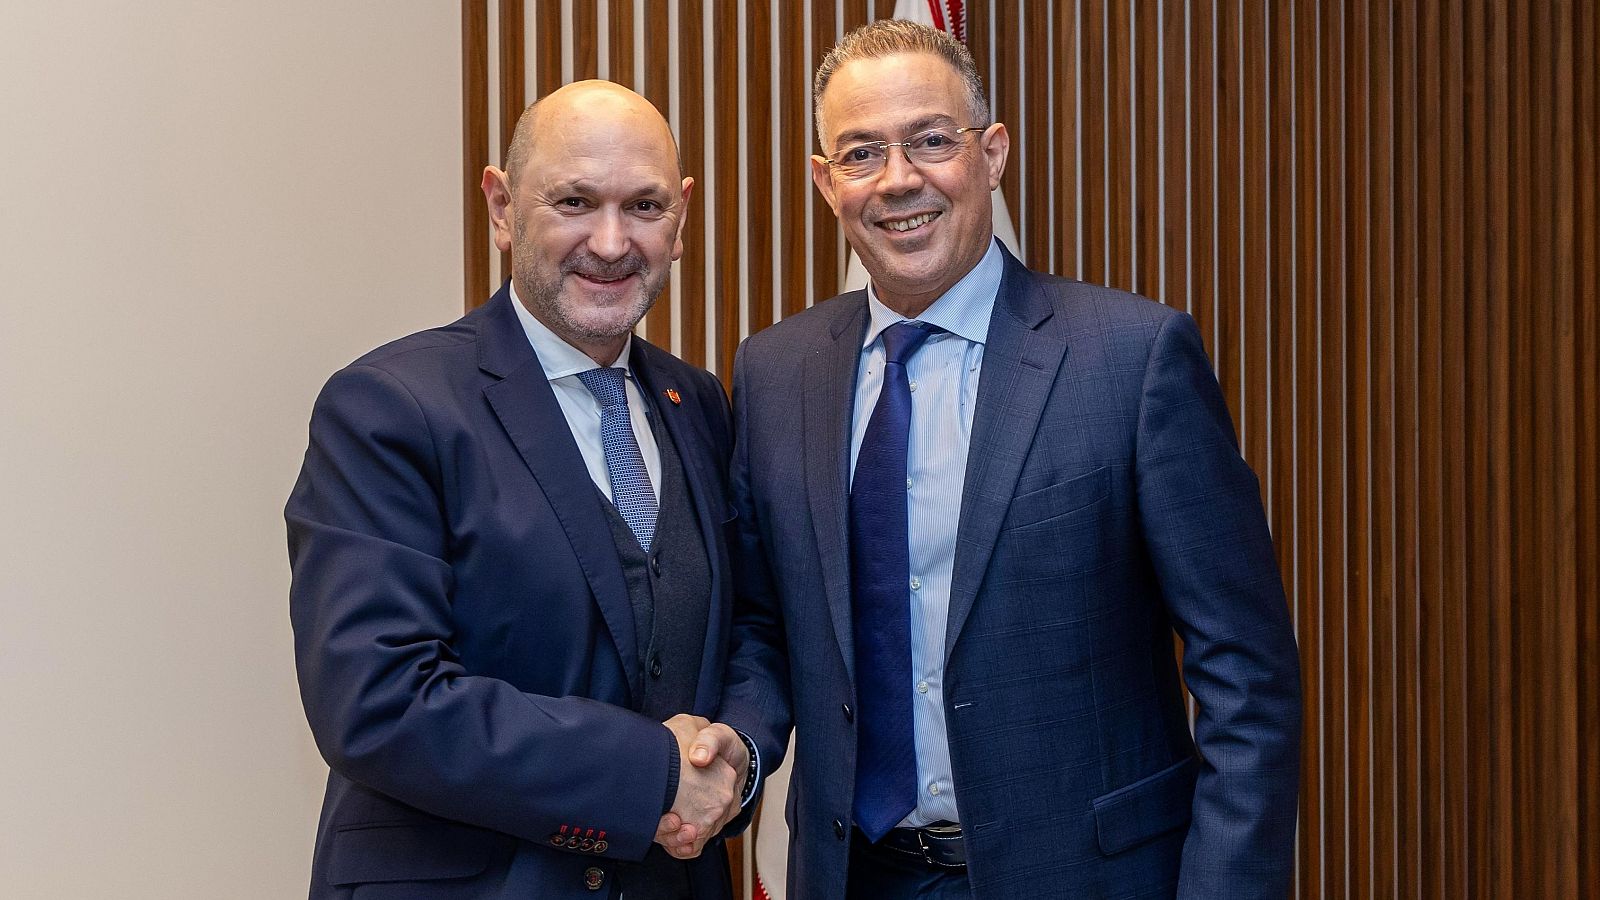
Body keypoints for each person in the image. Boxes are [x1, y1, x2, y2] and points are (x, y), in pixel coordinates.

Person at [708, 20, 1302, 899]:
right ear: (825, 182)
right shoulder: (773, 372)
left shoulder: (1132, 360)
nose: (900, 179)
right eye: (862, 152)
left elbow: (1246, 677)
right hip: (850, 875)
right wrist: (740, 746)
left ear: (992, 154)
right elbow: (766, 623)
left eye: (931, 141)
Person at [286, 81, 750, 900]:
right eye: (574, 201)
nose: (611, 242)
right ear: (501, 208)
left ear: (680, 220)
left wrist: (738, 755)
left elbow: (752, 627)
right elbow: (379, 699)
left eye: (643, 206)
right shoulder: (391, 406)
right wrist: (652, 773)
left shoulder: (699, 404)